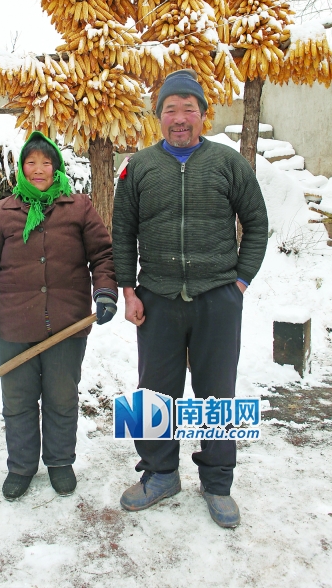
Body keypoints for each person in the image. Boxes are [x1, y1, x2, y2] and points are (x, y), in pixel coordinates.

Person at [112, 69, 268, 528]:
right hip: (156, 297)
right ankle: (159, 474)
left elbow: (257, 224)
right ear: (157, 115)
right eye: (170, 109)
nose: (180, 118)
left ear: (203, 114)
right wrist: (128, 289)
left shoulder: (227, 162)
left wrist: (238, 283)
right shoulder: (139, 167)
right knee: (152, 393)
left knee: (216, 392)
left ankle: (218, 483)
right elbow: (123, 232)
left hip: (217, 297)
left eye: (189, 109)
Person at [0, 131, 118, 501]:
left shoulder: (78, 207)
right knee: (18, 401)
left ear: (57, 168)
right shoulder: (3, 212)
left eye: (46, 162)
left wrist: (104, 291)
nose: (38, 170)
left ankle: (60, 462)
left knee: (62, 397)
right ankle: (20, 466)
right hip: (14, 326)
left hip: (67, 325)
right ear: (21, 169)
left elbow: (102, 254)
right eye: (31, 162)